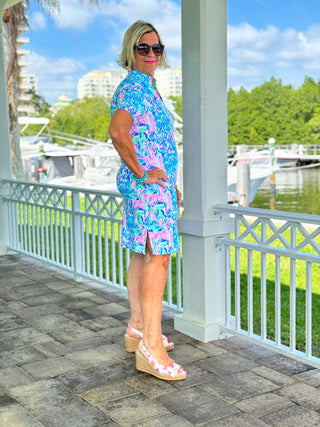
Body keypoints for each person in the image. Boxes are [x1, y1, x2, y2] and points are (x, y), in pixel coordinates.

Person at [109, 20, 186, 381]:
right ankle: (151, 347)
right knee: (160, 260)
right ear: (131, 51)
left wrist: (168, 184)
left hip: (153, 190)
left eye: (158, 48)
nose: (152, 54)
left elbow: (151, 142)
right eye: (144, 48)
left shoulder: (146, 88)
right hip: (147, 192)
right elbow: (117, 132)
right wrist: (143, 174)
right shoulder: (134, 89)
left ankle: (137, 328)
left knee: (142, 254)